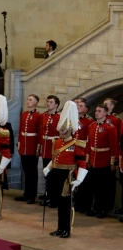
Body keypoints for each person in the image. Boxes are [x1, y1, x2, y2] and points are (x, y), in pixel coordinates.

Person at [41, 101, 84, 239]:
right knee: (59, 203)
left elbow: (82, 163)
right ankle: (60, 228)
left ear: (70, 128)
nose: (61, 131)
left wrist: (79, 179)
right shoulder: (57, 142)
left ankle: (66, 229)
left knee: (66, 204)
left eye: (64, 129)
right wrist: (48, 168)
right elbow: (54, 159)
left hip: (68, 176)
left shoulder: (76, 144)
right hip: (57, 174)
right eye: (60, 129)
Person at [77, 103, 119, 218]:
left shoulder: (110, 128)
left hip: (104, 160)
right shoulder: (92, 126)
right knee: (93, 186)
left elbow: (114, 147)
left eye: (99, 111)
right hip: (93, 160)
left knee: (103, 188)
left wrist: (112, 162)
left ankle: (102, 209)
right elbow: (89, 144)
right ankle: (93, 207)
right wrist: (88, 159)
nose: (97, 113)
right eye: (96, 111)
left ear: (105, 113)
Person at [16, 94, 42, 204]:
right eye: (27, 99)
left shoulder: (38, 116)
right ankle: (26, 193)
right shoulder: (24, 114)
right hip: (24, 145)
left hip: (32, 145)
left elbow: (39, 133)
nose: (28, 101)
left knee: (32, 172)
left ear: (36, 103)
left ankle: (32, 195)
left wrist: (38, 148)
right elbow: (21, 129)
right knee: (26, 170)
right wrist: (20, 143)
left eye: (31, 100)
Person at [39, 95, 61, 208]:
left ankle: (54, 198)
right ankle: (48, 195)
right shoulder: (44, 115)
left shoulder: (59, 117)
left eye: (51, 102)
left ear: (56, 105)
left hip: (54, 148)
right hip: (45, 147)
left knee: (53, 175)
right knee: (46, 174)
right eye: (47, 102)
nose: (48, 104)